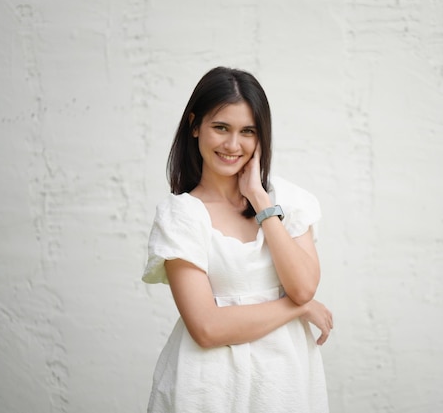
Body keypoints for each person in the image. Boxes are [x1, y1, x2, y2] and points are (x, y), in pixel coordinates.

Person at [142, 66, 333, 413]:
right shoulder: (182, 216)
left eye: (248, 131)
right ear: (195, 125)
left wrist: (260, 200)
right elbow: (207, 328)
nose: (233, 145)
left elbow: (304, 286)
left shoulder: (287, 201)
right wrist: (298, 309)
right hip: (208, 388)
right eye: (221, 128)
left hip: (285, 384)